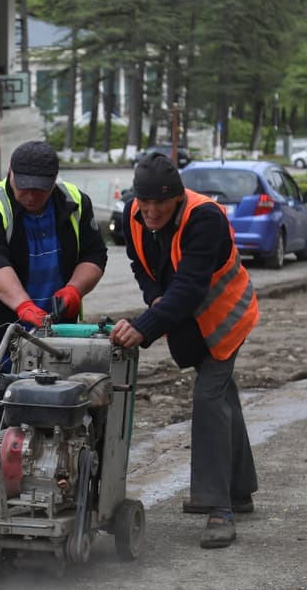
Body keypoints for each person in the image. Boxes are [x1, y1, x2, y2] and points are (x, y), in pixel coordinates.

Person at [108, 151, 259, 549]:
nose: (152, 211)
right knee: (224, 396)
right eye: (145, 202)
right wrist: (155, 300)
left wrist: (144, 327)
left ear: (177, 197)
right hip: (189, 323)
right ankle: (240, 492)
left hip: (225, 319)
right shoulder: (132, 214)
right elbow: (141, 265)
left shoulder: (204, 218)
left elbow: (190, 287)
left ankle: (218, 508)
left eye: (161, 202)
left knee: (209, 400)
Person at [0, 140, 107, 462]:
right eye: (22, 187)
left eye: (38, 191)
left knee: (53, 413)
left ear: (53, 182)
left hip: (54, 332)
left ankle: (48, 483)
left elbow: (95, 254)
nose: (28, 196)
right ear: (11, 173)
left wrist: (73, 290)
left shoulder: (75, 202)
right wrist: (23, 306)